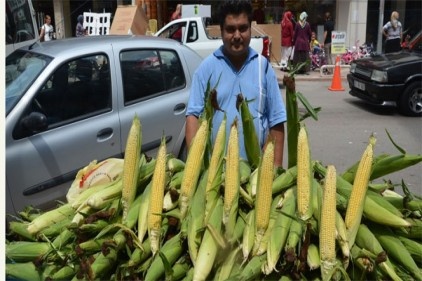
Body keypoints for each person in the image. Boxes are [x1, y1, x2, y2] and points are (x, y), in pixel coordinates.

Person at [185, 0, 287, 168]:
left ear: (250, 28)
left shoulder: (263, 67)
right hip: (215, 174)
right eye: (230, 29)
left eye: (243, 28)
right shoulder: (206, 69)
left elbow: (276, 120)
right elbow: (193, 117)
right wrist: (195, 168)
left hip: (255, 173)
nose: (237, 35)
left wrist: (274, 170)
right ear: (221, 31)